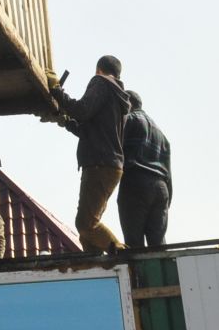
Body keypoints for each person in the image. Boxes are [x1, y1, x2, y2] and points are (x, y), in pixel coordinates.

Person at [57, 54, 131, 253]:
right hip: (110, 166)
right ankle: (96, 265)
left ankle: (121, 253)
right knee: (87, 232)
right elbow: (87, 129)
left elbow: (82, 110)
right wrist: (67, 122)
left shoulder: (101, 82)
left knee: (85, 223)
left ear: (99, 69)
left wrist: (58, 94)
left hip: (99, 163)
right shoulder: (118, 99)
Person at [118, 90, 172, 250]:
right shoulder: (162, 135)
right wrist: (166, 200)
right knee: (159, 245)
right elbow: (169, 172)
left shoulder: (128, 120)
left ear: (128, 103)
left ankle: (139, 276)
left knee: (133, 245)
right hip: (161, 189)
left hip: (135, 183)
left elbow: (107, 140)